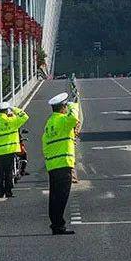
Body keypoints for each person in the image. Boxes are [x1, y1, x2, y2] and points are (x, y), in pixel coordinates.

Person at [42, 92, 80, 234]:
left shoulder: (50, 122)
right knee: (62, 196)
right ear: (63, 107)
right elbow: (74, 119)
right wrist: (74, 105)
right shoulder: (63, 121)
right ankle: (59, 225)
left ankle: (55, 223)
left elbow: (44, 143)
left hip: (53, 165)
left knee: (54, 196)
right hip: (63, 163)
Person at [0, 102, 30, 199]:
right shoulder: (12, 120)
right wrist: (13, 108)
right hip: (10, 150)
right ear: (6, 110)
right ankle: (8, 192)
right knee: (9, 172)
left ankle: (0, 193)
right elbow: (24, 116)